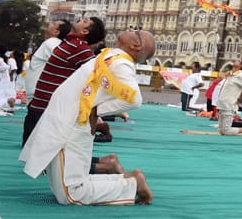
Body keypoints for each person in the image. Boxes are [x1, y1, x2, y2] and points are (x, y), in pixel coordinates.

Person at [19, 28, 155, 205]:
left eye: (135, 31)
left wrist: (96, 110)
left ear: (136, 45)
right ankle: (130, 181)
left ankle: (133, 184)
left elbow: (135, 100)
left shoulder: (122, 63)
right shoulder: (112, 55)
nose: (131, 28)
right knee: (63, 186)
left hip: (71, 126)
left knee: (71, 194)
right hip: (64, 120)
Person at [24, 18, 106, 144]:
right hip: (39, 104)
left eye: (84, 21)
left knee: (40, 152)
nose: (79, 19)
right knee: (33, 151)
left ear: (84, 31)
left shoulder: (79, 47)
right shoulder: (69, 42)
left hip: (47, 107)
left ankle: (105, 163)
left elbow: (95, 74)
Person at [24, 20, 71, 101]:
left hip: (40, 94)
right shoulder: (54, 43)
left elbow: (63, 59)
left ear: (56, 32)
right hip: (40, 93)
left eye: (53, 23)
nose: (49, 24)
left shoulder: (51, 42)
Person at [216, 59, 242, 136]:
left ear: (241, 66)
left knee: (226, 131)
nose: (236, 60)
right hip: (222, 104)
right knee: (221, 131)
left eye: (239, 61)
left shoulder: (240, 76)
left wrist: (238, 98)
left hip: (229, 105)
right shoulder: (231, 74)